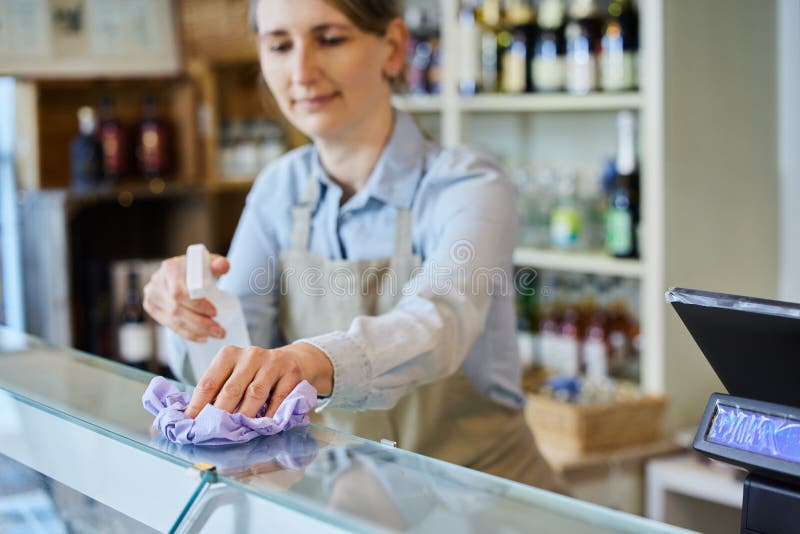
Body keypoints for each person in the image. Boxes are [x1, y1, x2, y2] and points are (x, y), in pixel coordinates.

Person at [144, 0, 565, 492]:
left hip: (482, 501)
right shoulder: (278, 189)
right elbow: (235, 353)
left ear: (392, 48)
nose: (301, 71)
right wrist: (193, 311)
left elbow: (441, 320)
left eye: (329, 39)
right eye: (280, 45)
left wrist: (306, 361)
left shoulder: (469, 183)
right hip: (346, 501)